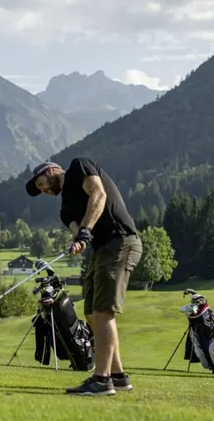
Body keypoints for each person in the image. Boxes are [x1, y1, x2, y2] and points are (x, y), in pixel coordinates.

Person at [26, 159, 142, 396]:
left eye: (41, 183)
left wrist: (85, 231)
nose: (43, 190)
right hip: (101, 250)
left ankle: (102, 380)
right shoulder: (65, 211)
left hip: (120, 241)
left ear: (51, 171)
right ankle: (118, 376)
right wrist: (78, 241)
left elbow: (98, 195)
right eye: (40, 189)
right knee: (91, 312)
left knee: (103, 311)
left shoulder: (79, 167)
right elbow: (77, 232)